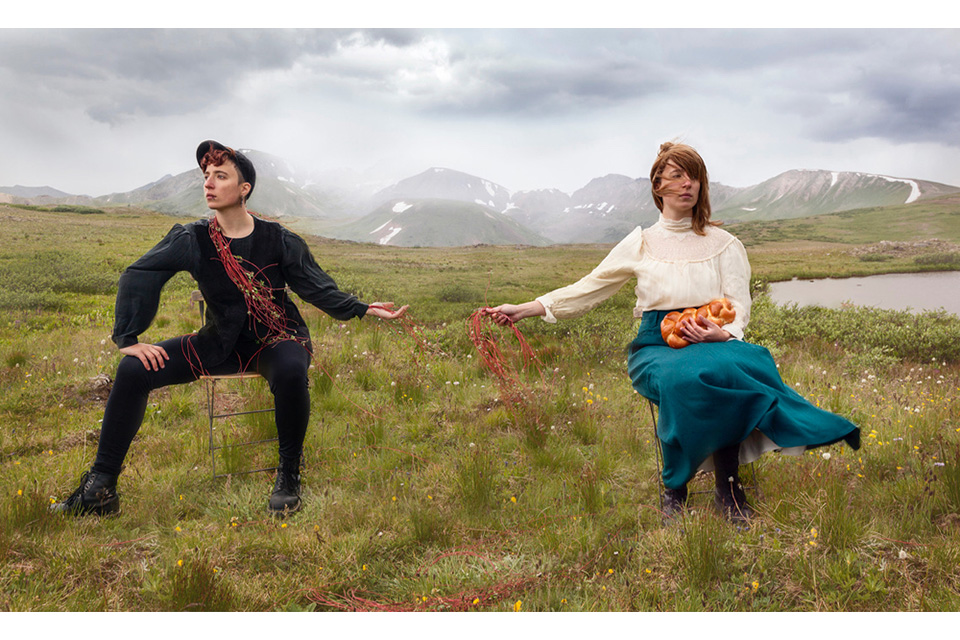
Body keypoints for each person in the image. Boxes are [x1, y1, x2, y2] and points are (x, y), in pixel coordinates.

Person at [487, 142, 860, 523]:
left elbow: (738, 303)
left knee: (732, 369)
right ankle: (675, 490)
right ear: (658, 185)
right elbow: (590, 287)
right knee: (684, 378)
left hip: (712, 337)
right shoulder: (642, 242)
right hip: (656, 345)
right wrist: (529, 308)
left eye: (695, 175)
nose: (689, 184)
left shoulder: (725, 244)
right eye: (678, 175)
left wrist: (722, 332)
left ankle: (728, 487)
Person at [53, 140, 408, 517]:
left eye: (220, 176)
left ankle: (288, 475)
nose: (208, 183)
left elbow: (314, 286)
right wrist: (128, 339)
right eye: (206, 176)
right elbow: (140, 272)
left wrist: (361, 308)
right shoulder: (192, 239)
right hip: (219, 344)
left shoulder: (279, 240)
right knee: (133, 370)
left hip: (277, 339)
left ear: (244, 189)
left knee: (290, 370)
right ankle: (99, 490)